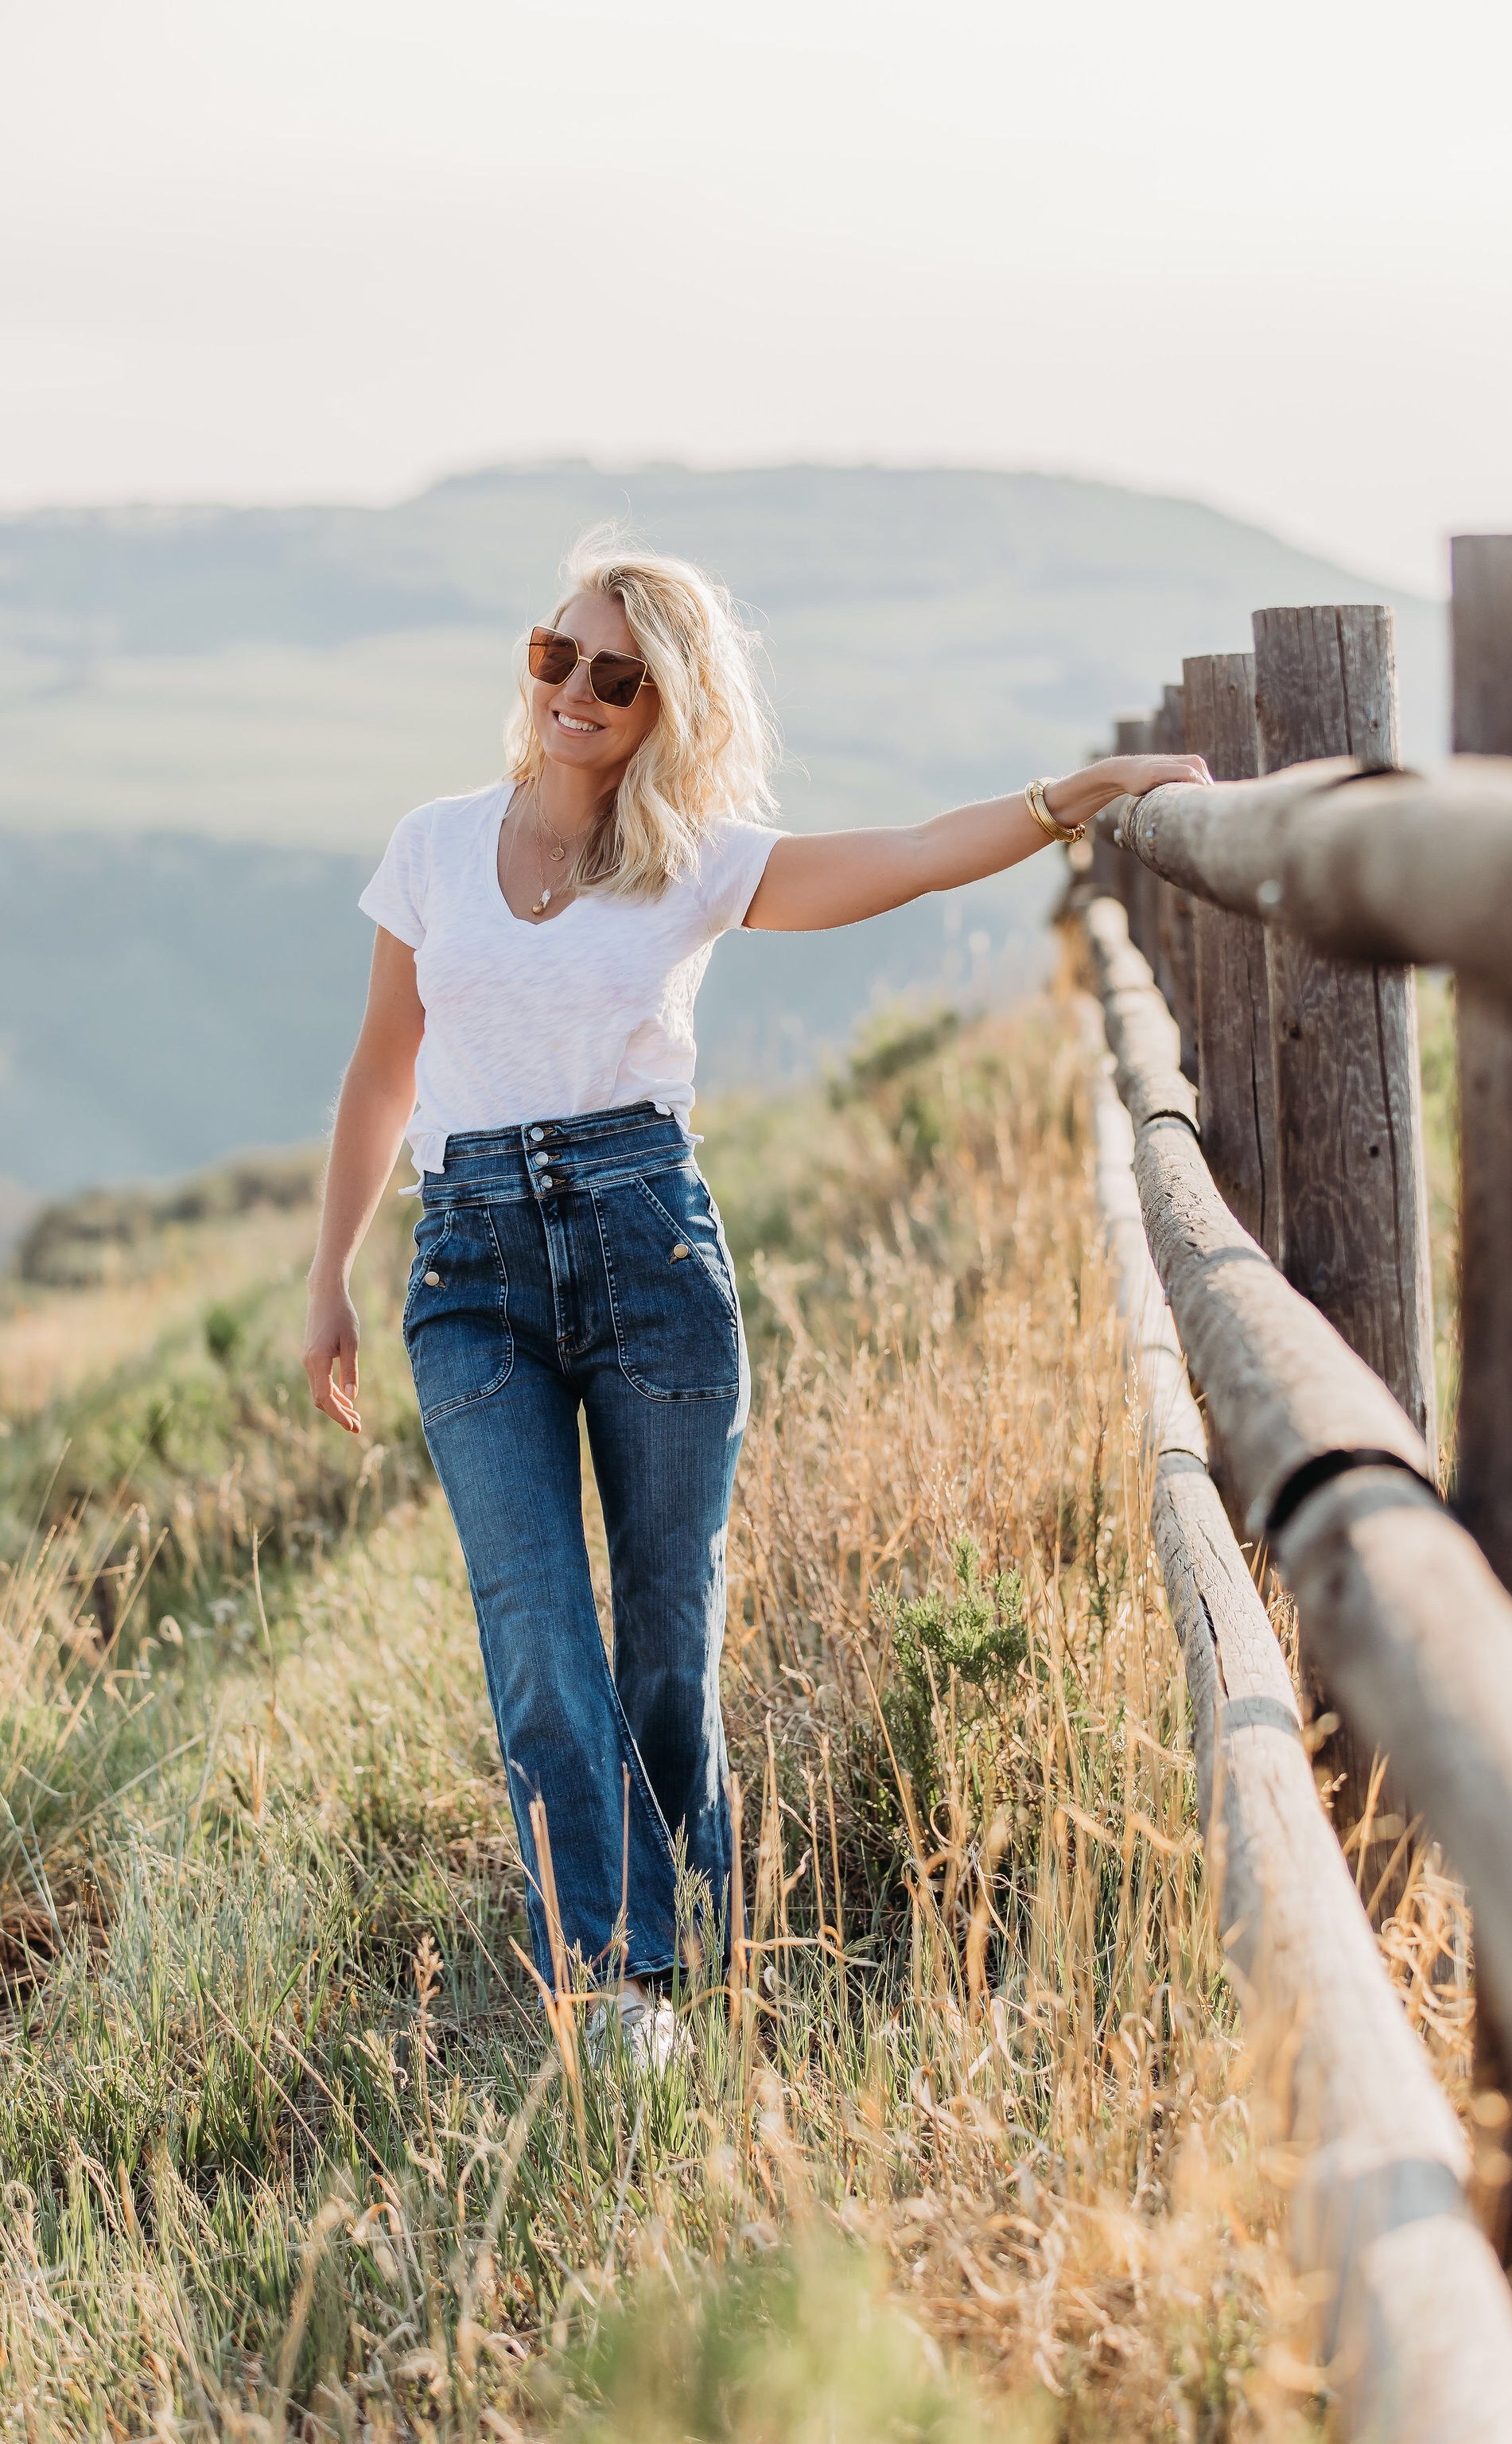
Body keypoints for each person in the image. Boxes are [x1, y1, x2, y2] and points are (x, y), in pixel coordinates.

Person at [302, 540, 1207, 2055]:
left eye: (617, 674)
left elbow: (915, 853)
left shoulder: (698, 860)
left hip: (647, 1246)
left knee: (667, 1634)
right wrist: (329, 1272)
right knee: (535, 1638)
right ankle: (615, 1987)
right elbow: (384, 1070)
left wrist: (1076, 798)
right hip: (466, 1270)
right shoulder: (434, 845)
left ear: (666, 703)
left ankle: (693, 1953)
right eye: (556, 657)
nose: (575, 693)